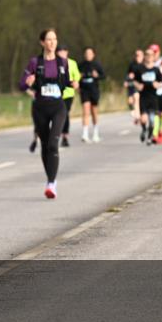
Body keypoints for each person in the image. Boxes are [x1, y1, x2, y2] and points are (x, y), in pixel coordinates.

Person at [19, 28, 71, 199]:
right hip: (40, 108)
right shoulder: (35, 62)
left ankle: (51, 183)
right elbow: (22, 85)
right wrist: (28, 82)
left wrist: (74, 84)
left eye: (54, 39)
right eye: (49, 39)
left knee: (53, 144)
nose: (52, 43)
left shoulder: (63, 62)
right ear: (42, 42)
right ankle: (50, 180)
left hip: (58, 107)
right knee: (44, 144)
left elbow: (68, 84)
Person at [136, 48, 162, 145]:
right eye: (147, 55)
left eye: (150, 55)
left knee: (152, 120)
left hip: (153, 97)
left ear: (153, 57)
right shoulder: (140, 69)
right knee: (143, 119)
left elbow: (161, 82)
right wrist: (138, 86)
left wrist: (157, 85)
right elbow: (135, 81)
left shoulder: (156, 70)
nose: (148, 57)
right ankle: (144, 130)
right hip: (143, 97)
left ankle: (149, 137)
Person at [77, 46, 106, 143]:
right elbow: (75, 77)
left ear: (93, 54)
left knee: (94, 112)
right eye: (86, 53)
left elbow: (103, 76)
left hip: (94, 90)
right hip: (84, 90)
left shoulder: (97, 64)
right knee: (85, 110)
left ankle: (95, 133)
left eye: (90, 53)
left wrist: (97, 75)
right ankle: (85, 134)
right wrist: (78, 78)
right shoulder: (80, 65)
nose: (88, 55)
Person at [57, 45, 81, 147]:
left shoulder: (72, 63)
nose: (62, 54)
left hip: (68, 93)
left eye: (64, 52)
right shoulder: (53, 63)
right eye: (60, 52)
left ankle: (65, 136)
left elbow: (77, 76)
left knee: (65, 114)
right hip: (55, 94)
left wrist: (76, 82)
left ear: (67, 52)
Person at [125, 49, 145, 125]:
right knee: (130, 101)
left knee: (137, 99)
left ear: (143, 56)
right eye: (136, 55)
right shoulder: (132, 64)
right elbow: (128, 74)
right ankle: (136, 114)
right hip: (132, 85)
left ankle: (137, 117)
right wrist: (127, 80)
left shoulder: (144, 64)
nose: (137, 57)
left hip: (141, 86)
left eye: (139, 55)